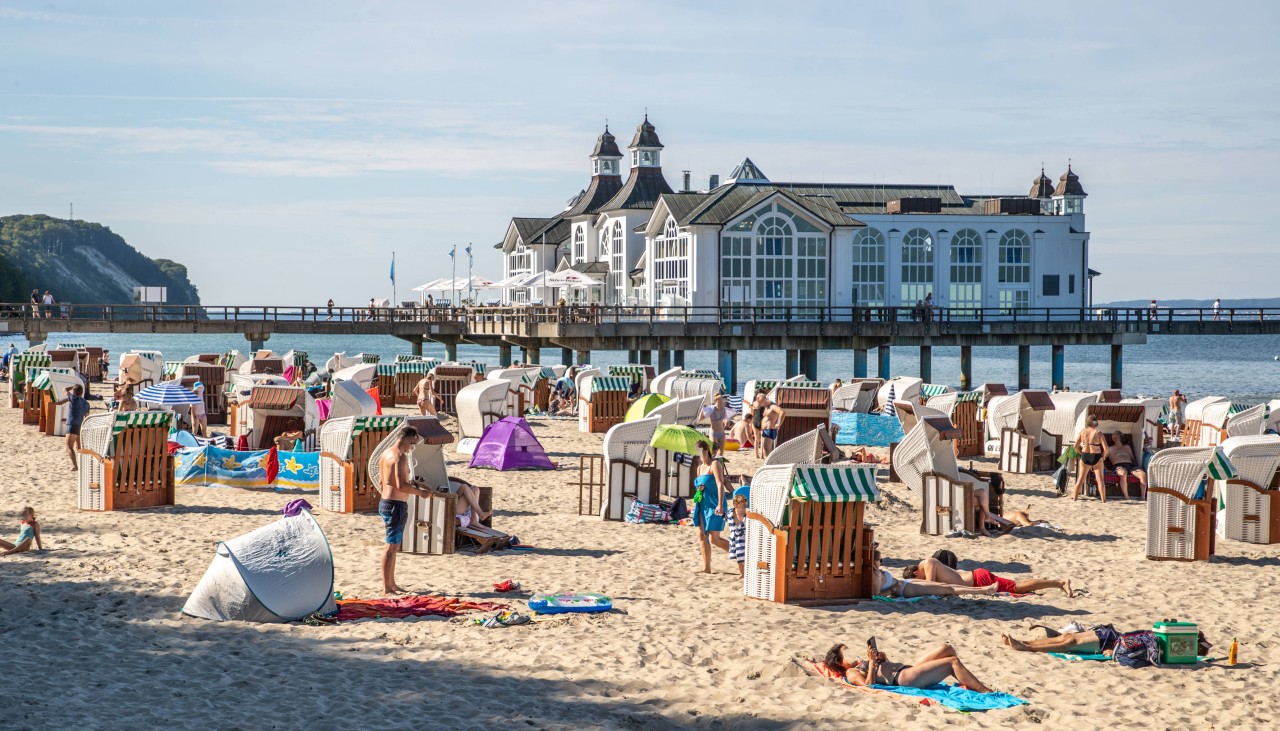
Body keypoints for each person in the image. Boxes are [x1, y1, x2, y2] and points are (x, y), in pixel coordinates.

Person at [376, 428, 443, 594]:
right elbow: (401, 485)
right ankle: (387, 587)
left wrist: (415, 485)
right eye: (414, 443)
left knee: (393, 546)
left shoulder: (386, 454)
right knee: (391, 547)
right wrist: (422, 493)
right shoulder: (400, 456)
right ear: (410, 439)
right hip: (395, 505)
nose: (412, 447)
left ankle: (391, 584)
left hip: (387, 502)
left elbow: (382, 481)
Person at [824, 641, 991, 693]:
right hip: (903, 678)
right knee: (951, 662)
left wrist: (882, 658)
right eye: (847, 652)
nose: (852, 651)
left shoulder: (861, 663)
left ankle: (967, 680)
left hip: (905, 669)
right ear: (840, 662)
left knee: (946, 649)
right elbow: (869, 685)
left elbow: (882, 672)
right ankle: (986, 691)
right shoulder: (851, 672)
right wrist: (873, 662)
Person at [904, 556, 1074, 597]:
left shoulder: (928, 563)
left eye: (916, 579)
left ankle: (1059, 583)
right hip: (977, 579)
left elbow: (930, 586)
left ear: (915, 573)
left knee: (1018, 586)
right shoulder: (928, 565)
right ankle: (1057, 583)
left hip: (979, 580)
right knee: (1017, 586)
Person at [871, 550, 997, 599]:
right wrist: (893, 590)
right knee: (948, 588)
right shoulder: (875, 575)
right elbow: (877, 596)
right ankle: (983, 591)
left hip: (904, 584)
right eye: (880, 560)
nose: (881, 563)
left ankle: (982, 589)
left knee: (944, 586)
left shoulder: (877, 573)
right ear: (874, 561)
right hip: (904, 588)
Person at [692, 442, 729, 573]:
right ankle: (706, 567)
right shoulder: (699, 468)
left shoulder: (715, 464)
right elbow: (699, 489)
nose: (698, 452)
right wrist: (699, 490)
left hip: (715, 503)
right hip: (703, 504)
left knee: (714, 539)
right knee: (702, 535)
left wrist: (720, 504)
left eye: (700, 450)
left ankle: (742, 556)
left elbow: (720, 484)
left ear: (706, 450)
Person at [1002, 624, 1124, 656]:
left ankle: (1028, 648)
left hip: (1115, 643)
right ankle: (1025, 642)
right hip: (1112, 634)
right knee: (1067, 636)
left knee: (1070, 643)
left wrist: (1114, 652)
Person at [54, 385, 90, 471]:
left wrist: (72, 387)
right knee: (79, 447)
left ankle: (74, 465)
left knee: (69, 446)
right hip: (81, 425)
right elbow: (87, 415)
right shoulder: (86, 403)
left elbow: (64, 389)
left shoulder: (73, 398)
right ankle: (83, 465)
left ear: (74, 392)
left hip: (72, 424)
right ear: (81, 392)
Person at [1103, 432, 1147, 499]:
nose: (1114, 437)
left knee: (1143, 474)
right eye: (1113, 436)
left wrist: (1136, 467)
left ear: (1120, 437)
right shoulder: (1109, 448)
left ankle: (1143, 497)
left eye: (1116, 435)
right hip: (1118, 465)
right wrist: (1105, 468)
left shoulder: (1127, 447)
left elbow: (1133, 458)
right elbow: (1102, 458)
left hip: (1130, 465)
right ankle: (1127, 497)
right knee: (1123, 473)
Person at [1071, 414, 1106, 501]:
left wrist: (1081, 453)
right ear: (1096, 422)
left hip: (1085, 455)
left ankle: (1075, 498)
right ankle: (1103, 500)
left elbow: (1075, 446)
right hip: (1096, 456)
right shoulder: (1098, 432)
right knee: (1100, 480)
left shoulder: (1082, 432)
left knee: (1080, 479)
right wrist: (1103, 457)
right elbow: (1106, 449)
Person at [727, 493, 748, 577]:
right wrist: (718, 512)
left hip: (744, 538)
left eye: (745, 506)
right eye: (742, 506)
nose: (744, 508)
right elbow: (723, 515)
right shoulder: (730, 514)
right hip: (734, 539)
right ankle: (742, 573)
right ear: (735, 505)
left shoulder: (747, 515)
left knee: (745, 557)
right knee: (738, 557)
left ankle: (746, 573)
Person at [751, 390, 770, 458]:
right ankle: (762, 455)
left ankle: (756, 455)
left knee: (756, 439)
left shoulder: (754, 403)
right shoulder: (765, 404)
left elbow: (753, 413)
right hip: (762, 422)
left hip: (755, 421)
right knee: (762, 439)